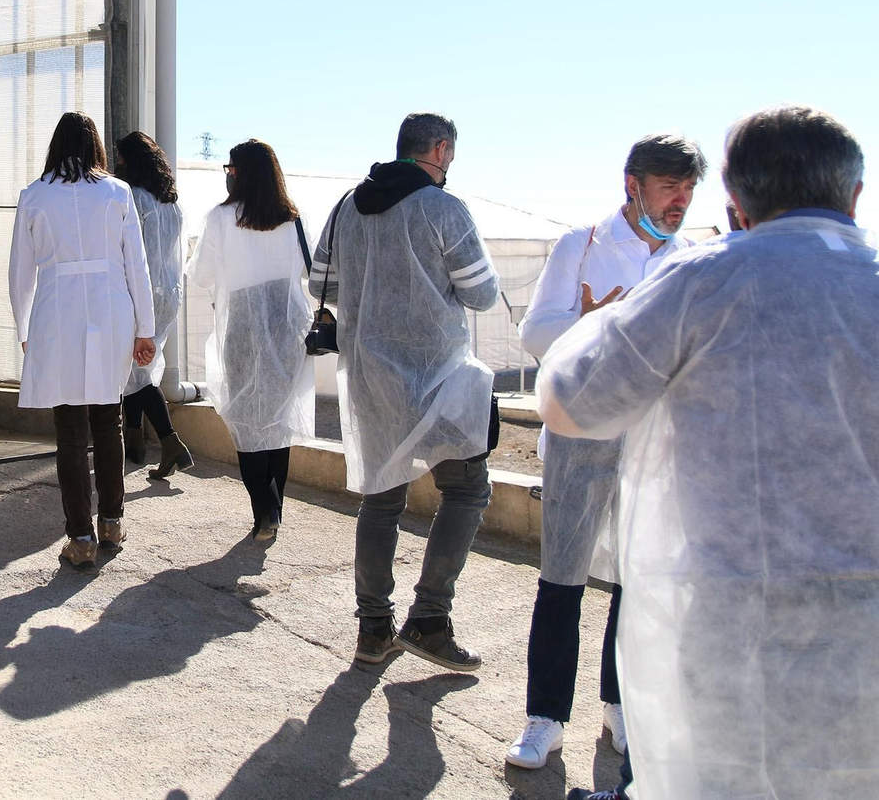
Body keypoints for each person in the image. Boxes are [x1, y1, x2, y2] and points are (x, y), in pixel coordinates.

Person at [540, 104, 876, 800]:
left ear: (735, 200)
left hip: (733, 617)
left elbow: (568, 401)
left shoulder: (700, 281)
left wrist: (606, 321)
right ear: (854, 195)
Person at [505, 134, 706, 772]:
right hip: (582, 434)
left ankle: (621, 705)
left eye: (687, 189)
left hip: (653, 443)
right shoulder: (582, 245)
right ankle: (545, 717)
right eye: (668, 187)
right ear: (632, 184)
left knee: (637, 577)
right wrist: (589, 325)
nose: (679, 201)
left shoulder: (690, 259)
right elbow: (534, 331)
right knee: (562, 578)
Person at [311, 112, 498, 671]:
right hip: (436, 372)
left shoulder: (347, 205)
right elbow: (483, 294)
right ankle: (430, 620)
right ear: (440, 149)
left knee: (383, 496)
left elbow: (321, 279)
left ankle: (373, 630)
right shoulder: (444, 207)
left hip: (370, 374)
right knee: (466, 489)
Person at [9, 112, 157, 568]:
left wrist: (24, 329)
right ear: (95, 145)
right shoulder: (117, 192)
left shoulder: (34, 196)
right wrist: (145, 327)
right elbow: (138, 264)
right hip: (112, 310)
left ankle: (80, 537)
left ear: (56, 144)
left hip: (57, 313)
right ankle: (112, 520)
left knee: (70, 430)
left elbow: (19, 272)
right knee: (107, 420)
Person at [188, 139, 315, 540]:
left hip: (242, 323)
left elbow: (202, 276)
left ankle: (264, 508)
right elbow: (310, 272)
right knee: (277, 420)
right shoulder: (294, 218)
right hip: (288, 324)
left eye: (230, 169)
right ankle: (273, 509)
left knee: (245, 418)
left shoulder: (221, 218)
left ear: (239, 173)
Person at [112, 131, 194, 478]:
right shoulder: (171, 205)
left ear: (129, 162)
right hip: (169, 294)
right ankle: (135, 443)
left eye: (119, 158)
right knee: (137, 366)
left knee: (135, 369)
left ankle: (171, 442)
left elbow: (127, 253)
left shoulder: (132, 198)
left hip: (140, 293)